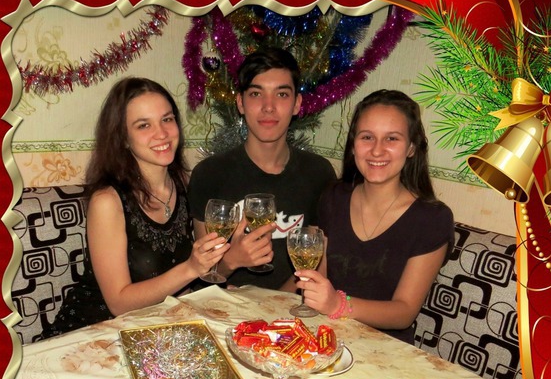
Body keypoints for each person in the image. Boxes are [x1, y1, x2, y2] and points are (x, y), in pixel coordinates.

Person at [42, 77, 228, 337]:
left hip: (153, 329)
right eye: (144, 125)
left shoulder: (183, 184)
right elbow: (118, 303)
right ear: (124, 139)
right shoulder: (108, 201)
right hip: (93, 331)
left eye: (167, 119)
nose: (161, 133)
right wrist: (191, 268)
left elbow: (178, 285)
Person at [295, 89, 455, 345]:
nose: (377, 151)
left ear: (411, 147)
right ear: (353, 144)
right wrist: (253, 298)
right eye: (367, 137)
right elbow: (316, 278)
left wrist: (338, 304)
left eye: (391, 138)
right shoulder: (333, 197)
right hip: (324, 340)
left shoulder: (432, 219)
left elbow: (404, 312)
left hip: (385, 352)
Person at [188, 47, 336, 291]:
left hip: (289, 308)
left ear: (297, 104)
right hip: (222, 307)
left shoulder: (318, 173)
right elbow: (202, 277)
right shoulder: (209, 174)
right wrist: (231, 261)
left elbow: (315, 269)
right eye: (256, 94)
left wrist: (270, 308)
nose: (269, 106)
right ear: (240, 103)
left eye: (282, 94)